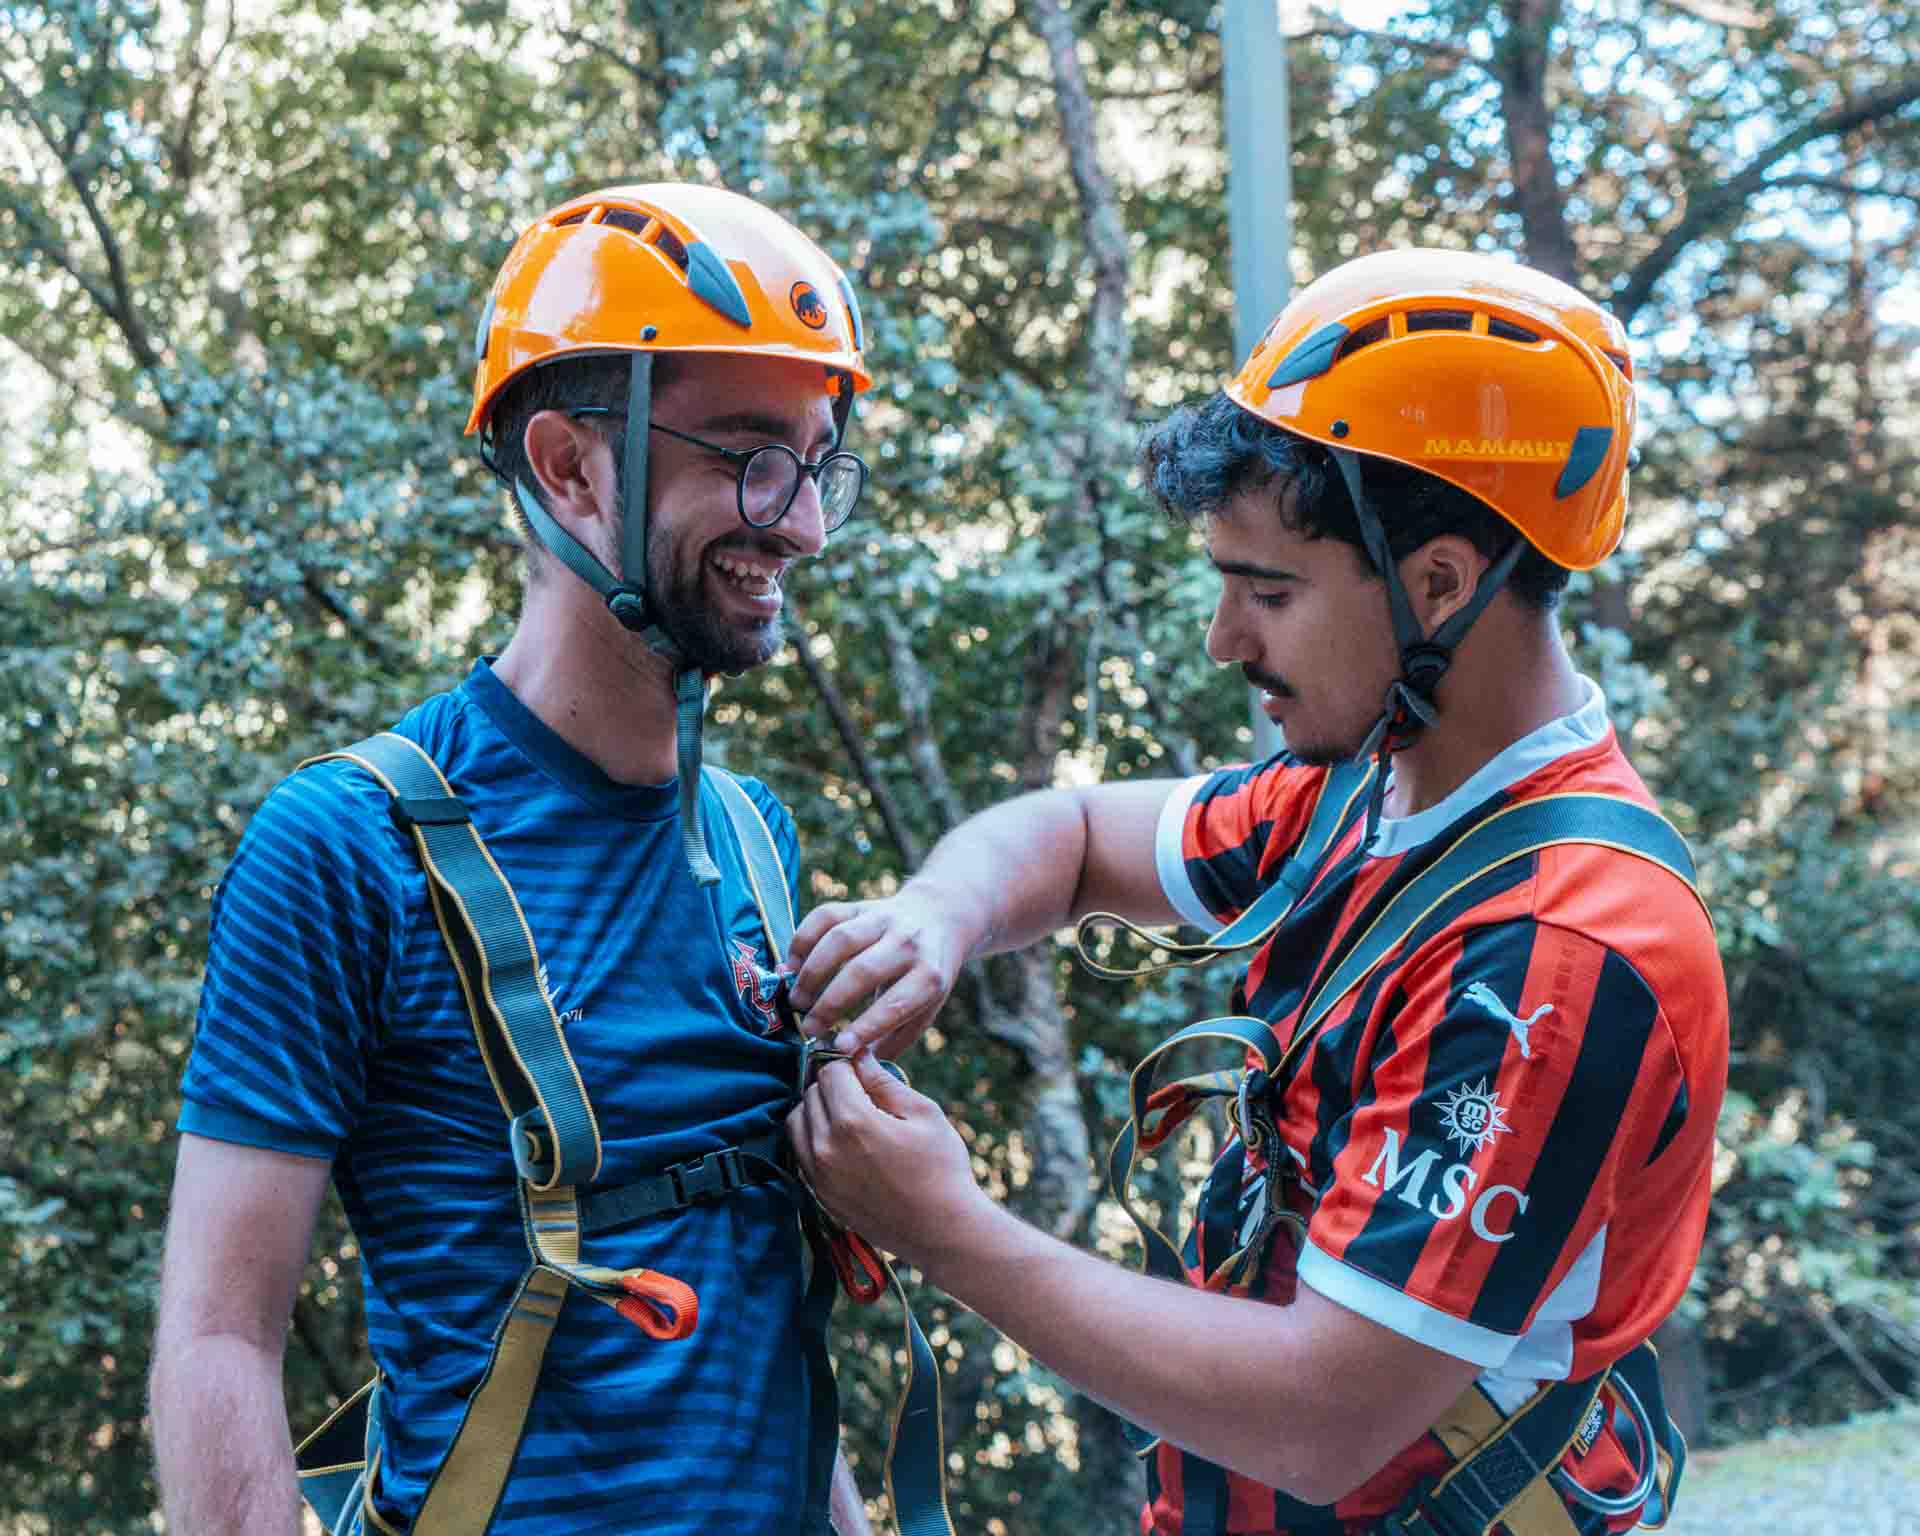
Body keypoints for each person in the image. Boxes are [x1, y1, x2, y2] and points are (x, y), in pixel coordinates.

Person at [784, 249, 1729, 1535]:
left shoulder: (1556, 951)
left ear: (1441, 583)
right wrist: (935, 918)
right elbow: (1072, 836)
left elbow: (1319, 1419)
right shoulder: (1362, 791)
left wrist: (943, 1226)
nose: (1227, 640)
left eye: (1268, 592)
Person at [150, 184, 877, 1536]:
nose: (803, 525)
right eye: (751, 459)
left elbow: (756, 1308)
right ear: (570, 468)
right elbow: (220, 1335)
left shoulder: (751, 841)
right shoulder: (350, 847)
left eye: (818, 464)